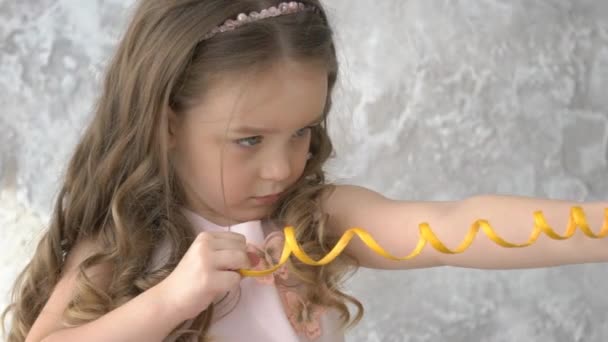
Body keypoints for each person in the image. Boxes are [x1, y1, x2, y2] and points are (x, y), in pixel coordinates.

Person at [2, 1, 607, 341]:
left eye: (303, 133)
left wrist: (600, 229)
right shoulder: (126, 245)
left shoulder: (317, 220)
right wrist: (172, 299)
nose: (282, 166)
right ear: (166, 123)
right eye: (248, 140)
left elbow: (453, 223)